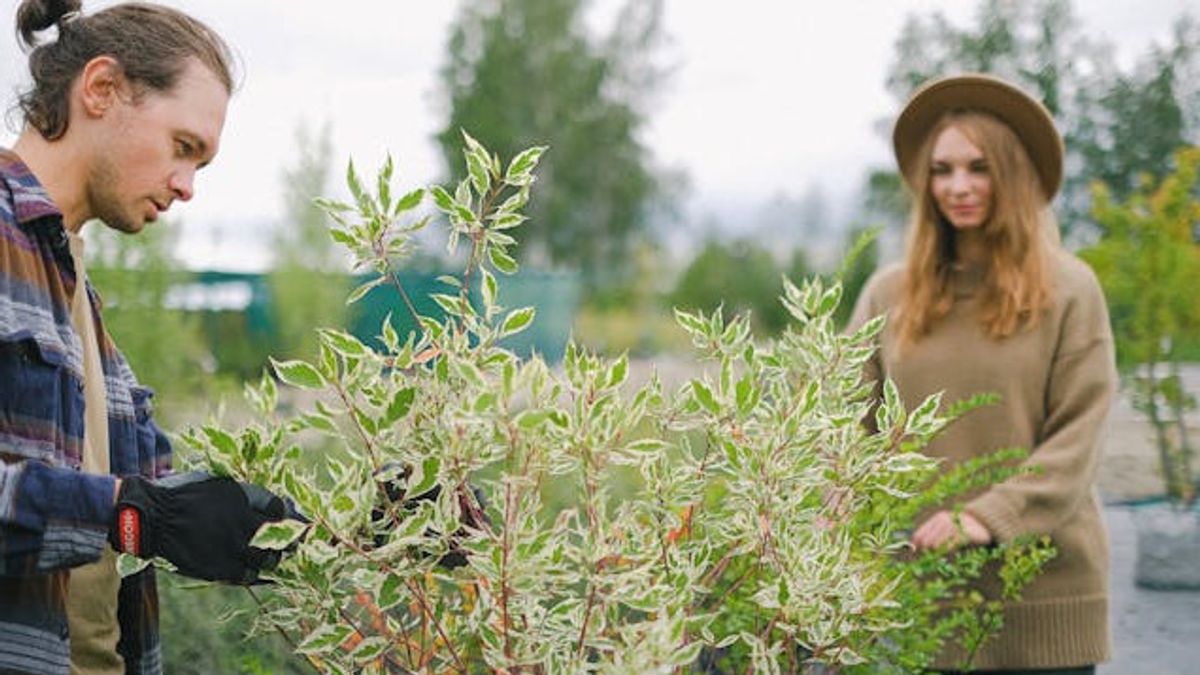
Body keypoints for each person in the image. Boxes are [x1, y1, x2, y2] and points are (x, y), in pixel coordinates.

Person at [1, 2, 295, 673]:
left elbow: (184, 509)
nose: (188, 186)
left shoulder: (76, 292)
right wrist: (119, 512)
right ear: (101, 89)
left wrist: (373, 530)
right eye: (183, 147)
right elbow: (134, 511)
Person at [848, 73, 1116, 673]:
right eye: (942, 170)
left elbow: (1078, 438)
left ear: (1013, 175)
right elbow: (845, 432)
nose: (958, 187)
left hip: (1046, 590)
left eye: (979, 167)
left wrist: (982, 517)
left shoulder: (1070, 290)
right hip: (924, 595)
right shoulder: (887, 295)